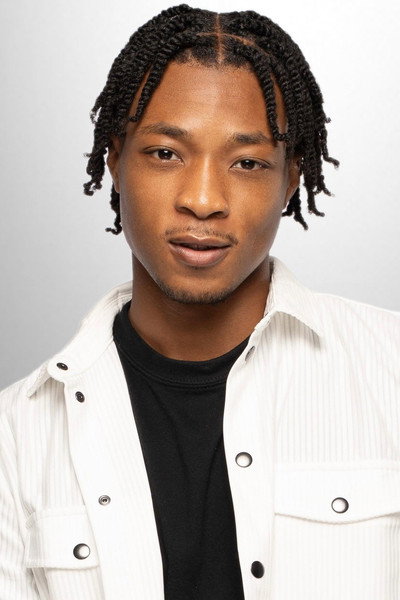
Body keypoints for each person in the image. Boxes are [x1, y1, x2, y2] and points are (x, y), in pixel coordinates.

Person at [0, 4, 399, 599]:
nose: (204, 199)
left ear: (291, 178)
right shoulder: (16, 438)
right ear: (115, 160)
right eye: (166, 153)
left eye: (247, 162)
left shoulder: (391, 372)